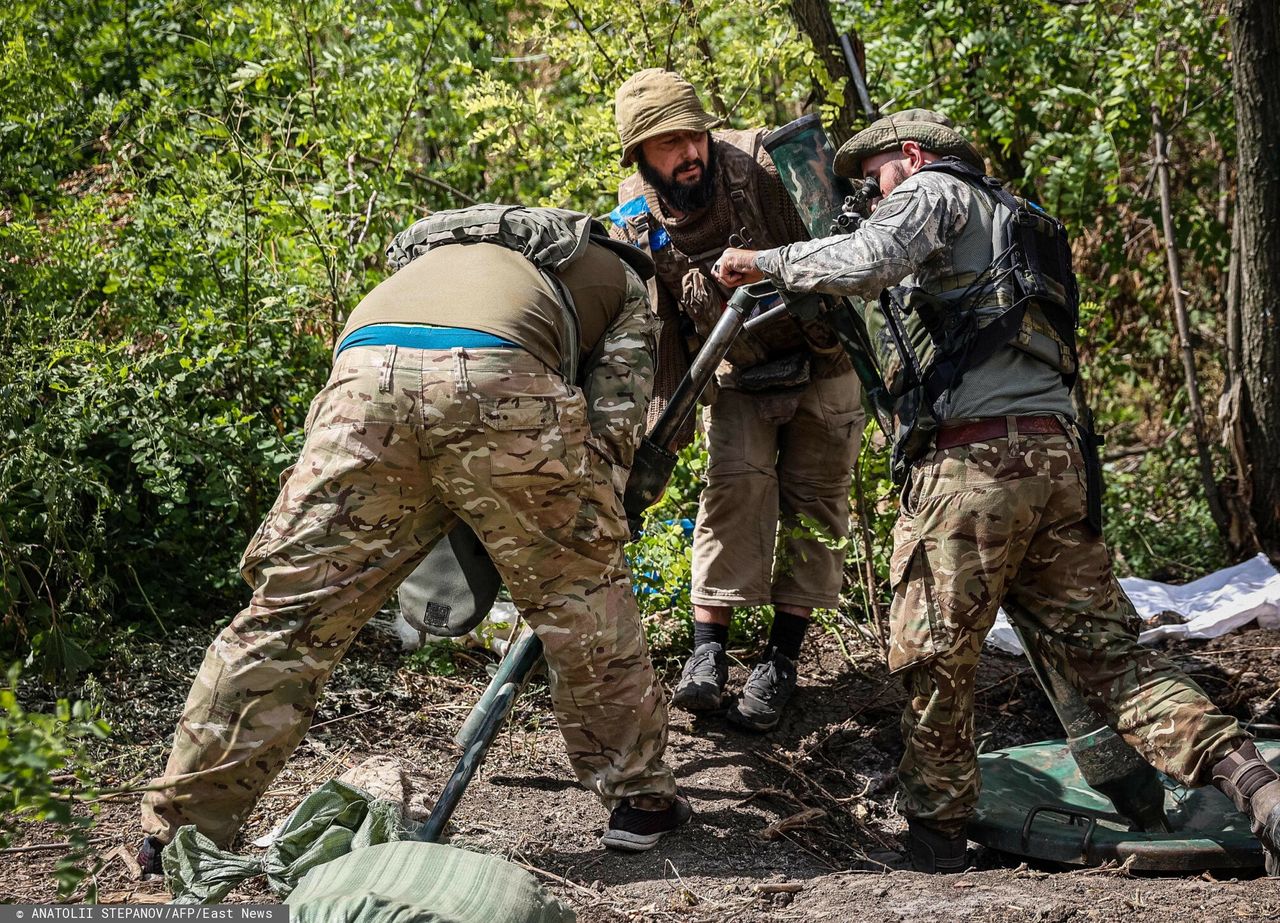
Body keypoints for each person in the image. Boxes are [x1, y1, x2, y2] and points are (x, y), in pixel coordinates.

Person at [713, 110, 1280, 873]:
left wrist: (761, 260)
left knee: (934, 656)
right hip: (1054, 460)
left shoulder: (934, 191)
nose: (875, 194)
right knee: (1110, 661)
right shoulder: (1023, 218)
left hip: (974, 468)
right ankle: (1255, 784)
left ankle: (936, 836)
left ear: (910, 156)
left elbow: (866, 259)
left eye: (876, 176)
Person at [136, 205, 693, 874]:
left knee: (286, 616)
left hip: (364, 374)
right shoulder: (625, 281)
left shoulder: (436, 259)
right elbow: (616, 418)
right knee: (582, 596)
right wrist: (583, 515)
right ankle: (640, 800)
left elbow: (378, 402)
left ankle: (178, 829)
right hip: (498, 376)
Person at [610, 68, 866, 731]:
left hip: (824, 360)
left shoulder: (774, 164)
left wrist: (769, 263)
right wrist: (658, 430)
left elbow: (850, 251)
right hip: (738, 370)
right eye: (666, 145)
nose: (686, 153)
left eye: (692, 136)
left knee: (816, 503)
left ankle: (782, 659)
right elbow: (658, 321)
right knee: (731, 493)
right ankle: (707, 657)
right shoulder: (635, 215)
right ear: (640, 156)